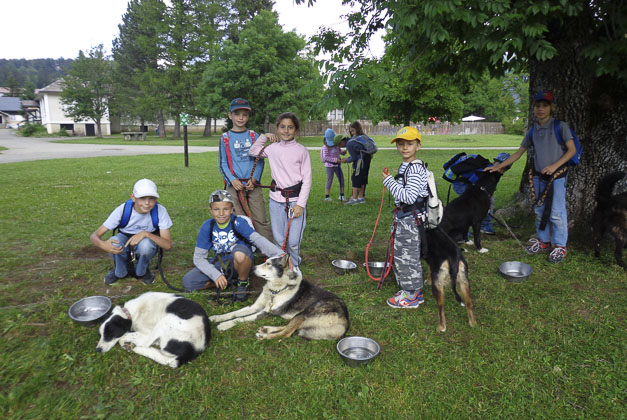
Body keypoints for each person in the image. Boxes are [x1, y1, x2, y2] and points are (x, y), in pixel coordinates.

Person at [487, 90, 576, 263]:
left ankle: (559, 246)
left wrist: (554, 166)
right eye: (537, 106)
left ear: (551, 108)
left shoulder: (560, 127)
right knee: (539, 210)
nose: (541, 109)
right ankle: (543, 241)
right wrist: (498, 166)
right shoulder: (533, 131)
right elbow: (518, 153)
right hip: (537, 176)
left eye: (545, 105)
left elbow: (571, 151)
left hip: (557, 177)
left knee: (557, 212)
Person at [182, 190, 287, 300]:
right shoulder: (207, 226)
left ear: (232, 209)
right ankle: (228, 281)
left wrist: (280, 254)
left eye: (226, 209)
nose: (221, 213)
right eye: (216, 209)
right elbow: (198, 258)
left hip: (241, 258)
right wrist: (215, 275)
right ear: (211, 210)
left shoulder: (239, 222)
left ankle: (243, 283)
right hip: (222, 261)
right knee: (189, 283)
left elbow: (258, 239)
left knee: (239, 254)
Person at [249, 112, 312, 270]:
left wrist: (300, 204)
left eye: (290, 127)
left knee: (293, 241)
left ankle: (295, 265)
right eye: (282, 127)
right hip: (276, 201)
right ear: (277, 129)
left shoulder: (301, 151)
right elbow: (253, 151)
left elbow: (307, 180)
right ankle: (282, 266)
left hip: (295, 201)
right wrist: (264, 137)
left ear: (296, 130)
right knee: (279, 238)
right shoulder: (272, 148)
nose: (286, 131)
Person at [90, 179, 172, 285]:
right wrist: (102, 245)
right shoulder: (122, 210)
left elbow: (167, 245)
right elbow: (94, 235)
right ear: (133, 197)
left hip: (146, 240)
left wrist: (145, 234)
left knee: (146, 246)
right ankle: (120, 272)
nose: (147, 203)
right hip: (124, 237)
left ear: (156, 198)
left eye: (152, 198)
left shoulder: (160, 211)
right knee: (114, 241)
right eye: (142, 198)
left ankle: (142, 271)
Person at [382, 126, 429, 308]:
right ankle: (411, 290)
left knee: (408, 256)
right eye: (401, 144)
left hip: (411, 220)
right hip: (404, 217)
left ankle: (411, 296)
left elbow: (409, 197)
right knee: (402, 255)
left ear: (418, 145)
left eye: (410, 144)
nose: (404, 148)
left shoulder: (415, 169)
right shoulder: (406, 165)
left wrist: (388, 182)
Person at [218, 98, 274, 242]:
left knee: (260, 217)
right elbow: (223, 163)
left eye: (244, 114)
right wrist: (232, 180)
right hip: (234, 185)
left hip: (252, 184)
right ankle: (244, 247)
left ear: (248, 116)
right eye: (237, 114)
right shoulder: (225, 138)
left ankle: (268, 250)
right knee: (239, 219)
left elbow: (259, 160)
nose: (241, 118)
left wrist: (254, 179)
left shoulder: (253, 136)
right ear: (230, 115)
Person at [450, 152, 511, 234]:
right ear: (494, 163)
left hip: (473, 187)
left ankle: (484, 225)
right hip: (462, 185)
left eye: (505, 169)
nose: (502, 171)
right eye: (501, 167)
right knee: (468, 206)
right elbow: (472, 183)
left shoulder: (495, 173)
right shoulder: (484, 170)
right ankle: (463, 229)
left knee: (490, 201)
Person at [338, 121, 373, 204]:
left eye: (353, 131)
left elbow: (354, 157)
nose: (352, 133)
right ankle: (361, 197)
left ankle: (354, 199)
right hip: (367, 159)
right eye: (351, 132)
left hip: (360, 161)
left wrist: (346, 160)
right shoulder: (363, 137)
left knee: (355, 178)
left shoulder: (350, 143)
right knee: (363, 177)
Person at [320, 128, 346, 201]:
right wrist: (335, 160)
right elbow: (325, 157)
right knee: (329, 180)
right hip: (329, 166)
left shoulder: (336, 144)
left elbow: (337, 151)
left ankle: (342, 195)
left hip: (337, 166)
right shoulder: (325, 147)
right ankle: (327, 196)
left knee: (341, 179)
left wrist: (342, 152)